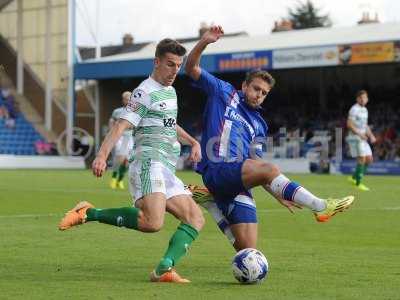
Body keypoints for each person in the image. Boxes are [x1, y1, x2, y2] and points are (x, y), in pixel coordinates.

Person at [185, 25, 354, 250]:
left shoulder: (260, 125)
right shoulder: (223, 91)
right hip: (218, 169)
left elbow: (257, 165)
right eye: (256, 89)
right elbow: (191, 66)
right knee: (271, 168)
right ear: (244, 85)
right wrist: (204, 42)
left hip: (238, 178)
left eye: (264, 93)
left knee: (247, 251)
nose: (259, 95)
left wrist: (277, 194)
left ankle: (212, 204)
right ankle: (320, 206)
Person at [59, 38, 205, 283]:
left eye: (178, 66)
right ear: (156, 62)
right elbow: (122, 125)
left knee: (195, 218)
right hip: (149, 162)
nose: (174, 71)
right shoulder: (144, 91)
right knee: (152, 222)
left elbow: (169, 124)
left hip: (166, 168)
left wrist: (193, 140)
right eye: (170, 64)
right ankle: (88, 212)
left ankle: (163, 270)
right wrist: (102, 155)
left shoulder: (170, 91)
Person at [346, 90, 376, 191]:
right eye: (361, 98)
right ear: (357, 99)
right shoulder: (354, 109)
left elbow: (365, 125)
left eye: (365, 98)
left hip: (362, 137)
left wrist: (371, 135)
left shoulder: (365, 110)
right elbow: (349, 124)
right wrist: (360, 134)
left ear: (367, 99)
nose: (363, 100)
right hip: (355, 137)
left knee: (369, 159)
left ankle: (354, 177)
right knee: (362, 158)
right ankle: (358, 183)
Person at [109, 91, 134, 190]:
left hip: (130, 137)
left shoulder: (135, 112)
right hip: (120, 137)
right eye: (126, 99)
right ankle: (114, 177)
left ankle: (120, 180)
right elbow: (111, 122)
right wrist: (112, 133)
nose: (127, 101)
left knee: (127, 161)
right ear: (123, 100)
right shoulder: (117, 111)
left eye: (129, 99)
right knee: (120, 157)